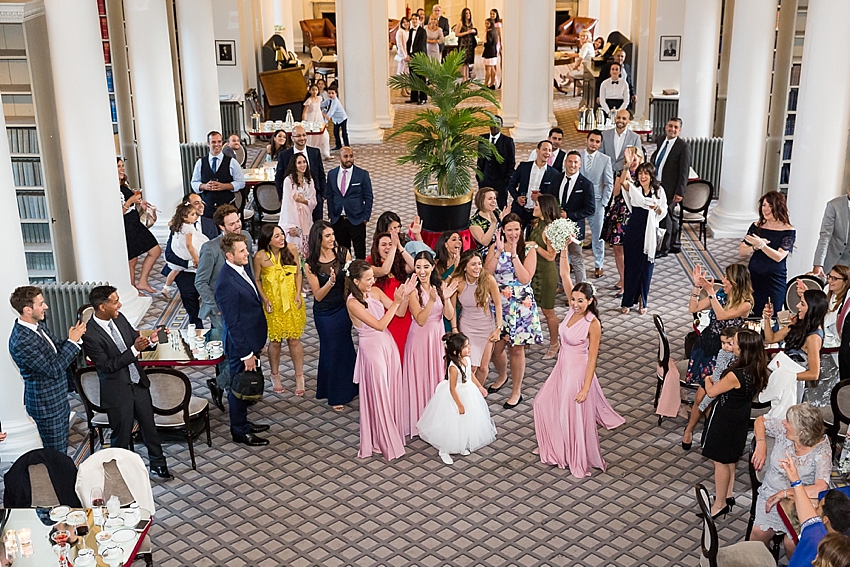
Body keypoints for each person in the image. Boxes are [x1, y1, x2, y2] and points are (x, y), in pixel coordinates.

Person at [533, 279, 625, 477]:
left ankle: (571, 455)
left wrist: (585, 388)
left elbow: (592, 359)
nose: (575, 304)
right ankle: (555, 446)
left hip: (577, 371)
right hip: (562, 366)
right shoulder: (572, 311)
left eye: (581, 301)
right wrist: (564, 251)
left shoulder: (592, 323)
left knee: (569, 414)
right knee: (541, 402)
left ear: (590, 301)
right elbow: (565, 274)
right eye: (573, 299)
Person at [81, 285, 172, 478]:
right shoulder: (90, 335)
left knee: (149, 428)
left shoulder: (119, 318)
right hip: (117, 392)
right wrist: (134, 350)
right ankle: (119, 473)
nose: (119, 305)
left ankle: (158, 464)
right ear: (102, 307)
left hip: (138, 384)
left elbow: (135, 341)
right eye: (115, 302)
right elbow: (107, 366)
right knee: (121, 435)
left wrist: (152, 340)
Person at [346, 260, 416, 461]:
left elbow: (400, 313)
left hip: (387, 345)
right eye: (368, 279)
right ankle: (381, 439)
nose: (372, 281)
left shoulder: (375, 292)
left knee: (392, 389)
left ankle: (392, 430)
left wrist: (404, 296)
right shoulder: (352, 302)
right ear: (356, 281)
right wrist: (395, 302)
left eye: (372, 278)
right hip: (372, 349)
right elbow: (379, 324)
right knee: (379, 394)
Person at [681, 264, 753, 449]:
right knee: (704, 397)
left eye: (728, 278)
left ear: (738, 281)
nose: (724, 281)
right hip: (707, 346)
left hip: (725, 353)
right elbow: (693, 308)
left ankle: (695, 430)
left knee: (703, 397)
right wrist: (697, 287)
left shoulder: (745, 303)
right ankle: (703, 430)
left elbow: (721, 316)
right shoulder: (720, 294)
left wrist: (711, 292)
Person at [700, 329, 769, 518]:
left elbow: (712, 392)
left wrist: (707, 379)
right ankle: (728, 494)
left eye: (736, 342)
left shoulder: (735, 375)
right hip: (740, 416)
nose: (733, 344)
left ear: (743, 348)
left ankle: (719, 503)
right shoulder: (757, 368)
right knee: (730, 458)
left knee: (720, 461)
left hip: (725, 418)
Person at [8, 286, 84, 453]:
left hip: (58, 399)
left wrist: (73, 340)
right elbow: (53, 369)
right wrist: (72, 342)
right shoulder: (22, 341)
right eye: (41, 303)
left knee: (61, 447)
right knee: (56, 454)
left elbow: (58, 350)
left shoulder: (37, 326)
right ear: (28, 310)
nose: (46, 307)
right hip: (46, 406)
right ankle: (60, 479)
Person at [194, 204, 254, 411]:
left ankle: (226, 386)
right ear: (221, 226)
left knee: (248, 347)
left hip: (246, 305)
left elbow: (250, 270)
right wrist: (216, 306)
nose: (238, 226)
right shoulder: (210, 249)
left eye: (238, 221)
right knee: (228, 353)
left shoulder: (246, 236)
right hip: (222, 310)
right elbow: (200, 282)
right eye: (232, 224)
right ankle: (228, 390)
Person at [751, 404, 832, 555]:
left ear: (801, 432)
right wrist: (761, 443)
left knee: (792, 544)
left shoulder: (821, 449)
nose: (783, 423)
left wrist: (785, 493)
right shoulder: (783, 430)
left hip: (799, 499)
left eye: (788, 422)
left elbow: (820, 487)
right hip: (771, 491)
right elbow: (760, 421)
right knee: (757, 535)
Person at [215, 233, 271, 447]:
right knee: (239, 387)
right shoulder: (225, 283)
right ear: (229, 255)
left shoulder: (243, 268)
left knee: (244, 385)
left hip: (251, 339)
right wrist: (247, 353)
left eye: (245, 248)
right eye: (241, 251)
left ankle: (244, 423)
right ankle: (239, 430)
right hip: (240, 346)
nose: (247, 252)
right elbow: (233, 323)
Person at [485, 213, 542, 408]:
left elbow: (525, 278)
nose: (513, 233)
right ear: (503, 231)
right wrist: (499, 252)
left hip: (521, 305)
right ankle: (502, 375)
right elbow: (486, 273)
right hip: (499, 304)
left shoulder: (529, 249)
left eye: (516, 229)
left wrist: (514, 254)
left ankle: (517, 391)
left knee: (516, 349)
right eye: (509, 229)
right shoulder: (495, 248)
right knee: (496, 348)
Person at [417, 333, 496, 465]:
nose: (469, 348)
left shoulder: (467, 360)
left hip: (468, 391)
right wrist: (459, 404)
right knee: (451, 422)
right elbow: (452, 388)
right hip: (456, 395)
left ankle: (461, 444)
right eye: (465, 346)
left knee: (466, 421)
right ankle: (444, 449)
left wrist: (479, 387)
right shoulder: (453, 367)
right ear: (455, 351)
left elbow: (470, 374)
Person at [304, 221, 358, 411]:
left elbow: (352, 280)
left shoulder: (343, 253)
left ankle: (351, 387)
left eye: (332, 234)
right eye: (327, 236)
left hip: (343, 309)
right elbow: (317, 296)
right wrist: (330, 283)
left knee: (345, 346)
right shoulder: (310, 264)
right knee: (331, 350)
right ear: (318, 239)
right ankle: (335, 394)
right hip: (325, 313)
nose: (332, 238)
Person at [403, 251, 457, 438]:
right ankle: (419, 421)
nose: (422, 271)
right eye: (418, 267)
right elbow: (420, 319)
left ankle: (437, 421)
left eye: (425, 266)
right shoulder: (412, 290)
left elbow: (449, 315)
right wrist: (432, 301)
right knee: (420, 377)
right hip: (419, 338)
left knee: (436, 378)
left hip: (437, 336)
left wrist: (447, 298)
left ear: (433, 266)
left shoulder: (440, 285)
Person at [253, 225, 306, 396]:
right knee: (275, 341)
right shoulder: (260, 256)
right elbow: (257, 280)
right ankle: (275, 375)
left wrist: (298, 293)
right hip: (273, 303)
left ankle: (299, 376)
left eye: (282, 234)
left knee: (294, 339)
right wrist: (265, 298)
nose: (282, 238)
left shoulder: (291, 249)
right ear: (268, 239)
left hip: (291, 300)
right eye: (277, 236)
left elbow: (298, 273)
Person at [761, 289, 828, 419]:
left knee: (786, 419)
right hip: (785, 379)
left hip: (794, 385)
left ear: (813, 308)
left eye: (802, 304)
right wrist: (767, 318)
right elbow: (771, 339)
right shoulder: (799, 323)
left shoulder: (814, 337)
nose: (797, 306)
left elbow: (814, 374)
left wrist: (786, 375)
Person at [779, 455, 850, 566]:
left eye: (819, 506)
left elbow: (808, 517)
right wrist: (796, 482)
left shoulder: (814, 536)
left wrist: (795, 480)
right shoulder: (843, 551)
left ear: (825, 519)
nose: (815, 507)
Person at [162, 193, 219, 327]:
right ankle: (196, 328)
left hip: (208, 270)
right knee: (190, 302)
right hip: (186, 271)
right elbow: (170, 255)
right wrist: (191, 263)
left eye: (201, 202)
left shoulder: (210, 223)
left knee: (214, 302)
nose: (201, 206)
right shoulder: (178, 227)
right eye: (196, 203)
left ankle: (215, 329)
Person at [620, 162, 667, 314]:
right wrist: (626, 166)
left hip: (649, 234)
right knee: (631, 267)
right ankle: (627, 301)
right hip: (634, 231)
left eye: (646, 173)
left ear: (651, 175)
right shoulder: (635, 189)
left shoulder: (658, 191)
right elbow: (623, 182)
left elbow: (663, 211)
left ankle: (642, 300)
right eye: (640, 173)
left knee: (646, 269)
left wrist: (656, 208)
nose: (643, 176)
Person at [739, 190, 797, 316]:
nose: (766, 209)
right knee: (753, 313)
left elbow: (779, 257)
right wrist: (755, 247)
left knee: (772, 314)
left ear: (778, 207)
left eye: (770, 206)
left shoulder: (788, 231)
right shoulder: (756, 226)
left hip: (774, 281)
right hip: (754, 278)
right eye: (764, 205)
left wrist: (761, 245)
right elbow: (742, 251)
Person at [450, 250, 502, 385]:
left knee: (483, 367)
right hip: (467, 325)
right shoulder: (458, 282)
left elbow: (497, 304)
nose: (477, 267)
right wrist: (454, 328)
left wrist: (498, 328)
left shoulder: (489, 280)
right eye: (473, 264)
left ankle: (478, 396)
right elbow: (453, 308)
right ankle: (469, 394)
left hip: (486, 326)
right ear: (465, 267)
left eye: (479, 264)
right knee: (470, 366)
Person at [805, 265, 850, 407]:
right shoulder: (826, 291)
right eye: (829, 277)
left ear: (846, 281)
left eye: (835, 278)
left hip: (836, 347)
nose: (830, 281)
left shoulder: (847, 302)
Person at [602, 145, 643, 294]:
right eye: (629, 157)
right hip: (619, 213)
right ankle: (623, 279)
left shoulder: (643, 175)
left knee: (631, 250)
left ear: (640, 158)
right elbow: (616, 191)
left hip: (633, 215)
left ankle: (630, 280)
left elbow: (633, 191)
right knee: (617, 249)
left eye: (634, 157)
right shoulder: (621, 172)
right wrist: (625, 168)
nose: (632, 160)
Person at [117, 158, 161, 295]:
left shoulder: (123, 184)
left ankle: (142, 281)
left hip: (135, 223)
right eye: (118, 166)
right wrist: (130, 201)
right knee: (132, 260)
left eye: (122, 165)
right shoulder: (111, 188)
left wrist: (140, 203)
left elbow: (129, 205)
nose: (122, 169)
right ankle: (133, 289)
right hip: (126, 226)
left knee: (156, 250)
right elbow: (117, 213)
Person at [367, 231, 414, 358]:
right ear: (376, 247)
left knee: (405, 353)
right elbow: (384, 270)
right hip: (387, 316)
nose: (387, 247)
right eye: (383, 245)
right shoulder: (370, 265)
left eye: (390, 243)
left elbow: (414, 266)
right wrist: (393, 247)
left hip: (404, 315)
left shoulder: (398, 264)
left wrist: (400, 247)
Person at [650, 118, 691, 256]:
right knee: (671, 216)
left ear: (679, 130)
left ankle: (664, 248)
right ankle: (675, 244)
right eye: (670, 126)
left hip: (671, 188)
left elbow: (684, 171)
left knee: (664, 217)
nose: (672, 129)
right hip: (658, 185)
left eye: (676, 127)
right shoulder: (661, 140)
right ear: (666, 127)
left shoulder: (683, 147)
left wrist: (680, 191)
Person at [529, 195, 562, 359]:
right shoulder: (537, 224)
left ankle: (555, 343)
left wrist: (534, 246)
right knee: (531, 307)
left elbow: (551, 256)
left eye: (536, 204)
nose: (534, 206)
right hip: (534, 272)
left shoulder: (550, 229)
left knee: (548, 311)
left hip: (546, 274)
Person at [326, 147, 373, 260]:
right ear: (339, 158)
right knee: (342, 253)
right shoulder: (332, 174)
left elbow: (369, 197)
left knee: (360, 252)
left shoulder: (362, 174)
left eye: (351, 156)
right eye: (345, 156)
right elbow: (329, 196)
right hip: (338, 220)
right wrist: (332, 215)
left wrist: (365, 217)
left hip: (357, 220)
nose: (349, 159)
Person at [558, 150, 596, 285]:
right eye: (570, 161)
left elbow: (591, 209)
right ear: (565, 162)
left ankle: (581, 287)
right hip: (557, 228)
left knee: (576, 258)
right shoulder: (557, 179)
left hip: (575, 229)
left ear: (580, 164)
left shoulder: (586, 184)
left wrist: (570, 215)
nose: (572, 165)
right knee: (558, 258)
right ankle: (560, 285)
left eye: (575, 162)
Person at [275, 125, 327, 222]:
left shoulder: (315, 152)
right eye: (298, 136)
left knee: (316, 228)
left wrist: (322, 195)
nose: (302, 138)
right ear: (292, 138)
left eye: (304, 135)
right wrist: (281, 197)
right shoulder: (284, 155)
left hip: (314, 198)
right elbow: (278, 177)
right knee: (298, 228)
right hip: (294, 202)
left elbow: (321, 174)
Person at [580, 130, 614, 278]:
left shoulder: (605, 159)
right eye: (592, 140)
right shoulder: (577, 156)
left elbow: (609, 183)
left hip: (597, 202)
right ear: (587, 140)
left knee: (598, 236)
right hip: (578, 202)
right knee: (575, 233)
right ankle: (570, 261)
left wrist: (604, 203)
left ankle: (598, 264)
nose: (594, 144)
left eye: (597, 142)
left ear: (600, 144)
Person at [190, 130, 246, 219]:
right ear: (208, 143)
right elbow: (194, 183)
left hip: (227, 207)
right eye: (213, 142)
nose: (217, 144)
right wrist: (204, 186)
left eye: (219, 142)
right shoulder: (200, 163)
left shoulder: (232, 162)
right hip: (207, 208)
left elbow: (241, 183)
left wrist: (224, 186)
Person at [507, 140, 561, 228]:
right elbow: (511, 185)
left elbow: (554, 196)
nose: (547, 153)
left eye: (550, 150)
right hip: (520, 210)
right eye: (544, 149)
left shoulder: (554, 173)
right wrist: (517, 198)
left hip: (539, 214)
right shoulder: (524, 166)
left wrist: (542, 197)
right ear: (537, 150)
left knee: (533, 238)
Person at [163, 203, 209, 297]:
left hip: (177, 248)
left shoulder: (178, 224)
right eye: (192, 215)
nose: (195, 216)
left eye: (195, 214)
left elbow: (170, 223)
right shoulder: (188, 228)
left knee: (175, 270)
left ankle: (166, 287)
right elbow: (189, 245)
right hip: (186, 250)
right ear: (184, 217)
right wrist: (195, 257)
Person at [278, 153, 317, 257]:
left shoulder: (309, 181)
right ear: (294, 165)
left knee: (307, 249)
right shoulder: (288, 181)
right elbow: (287, 205)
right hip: (293, 221)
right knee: (295, 251)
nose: (302, 165)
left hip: (307, 219)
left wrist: (303, 201)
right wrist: (291, 226)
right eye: (299, 162)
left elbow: (313, 202)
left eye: (304, 162)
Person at [477, 116, 515, 210]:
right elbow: (480, 158)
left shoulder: (508, 141)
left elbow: (511, 162)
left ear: (501, 125)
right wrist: (479, 176)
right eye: (492, 123)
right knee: (483, 203)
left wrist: (507, 179)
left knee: (502, 205)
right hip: (485, 178)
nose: (495, 126)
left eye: (497, 123)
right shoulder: (482, 139)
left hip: (500, 180)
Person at [813, 186, 850, 278]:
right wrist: (818, 264)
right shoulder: (834, 205)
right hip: (835, 261)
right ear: (848, 188)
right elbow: (825, 236)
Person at [601, 110, 642, 178]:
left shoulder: (635, 137)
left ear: (628, 121)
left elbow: (638, 158)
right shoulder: (604, 135)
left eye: (624, 118)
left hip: (625, 174)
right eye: (618, 117)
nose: (620, 120)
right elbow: (600, 155)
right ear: (615, 119)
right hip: (607, 173)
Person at [469, 186, 502, 260]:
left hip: (501, 248)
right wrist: (493, 224)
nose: (494, 201)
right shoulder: (474, 221)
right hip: (485, 255)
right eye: (490, 199)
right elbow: (484, 242)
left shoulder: (497, 212)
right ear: (481, 201)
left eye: (494, 198)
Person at [303, 84, 330, 158]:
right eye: (313, 90)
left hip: (319, 118)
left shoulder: (319, 98)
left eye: (316, 90)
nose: (314, 91)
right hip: (311, 119)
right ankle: (311, 153)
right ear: (310, 91)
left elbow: (319, 110)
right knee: (312, 137)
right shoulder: (308, 100)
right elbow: (304, 112)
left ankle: (325, 153)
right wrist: (304, 122)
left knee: (324, 135)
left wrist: (325, 116)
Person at [406, 13, 428, 104]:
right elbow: (409, 43)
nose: (414, 20)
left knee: (421, 77)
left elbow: (420, 45)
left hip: (419, 57)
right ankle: (414, 97)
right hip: (411, 56)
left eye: (416, 19)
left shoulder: (422, 31)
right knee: (412, 77)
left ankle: (423, 98)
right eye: (413, 19)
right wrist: (408, 53)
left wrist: (413, 55)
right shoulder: (410, 31)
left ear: (419, 20)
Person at [322, 86, 349, 151]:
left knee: (344, 133)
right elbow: (323, 104)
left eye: (332, 93)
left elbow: (331, 112)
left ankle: (347, 146)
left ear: (336, 94)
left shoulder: (335, 102)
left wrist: (325, 121)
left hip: (342, 118)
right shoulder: (329, 100)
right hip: (336, 119)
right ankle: (338, 145)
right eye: (329, 93)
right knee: (335, 132)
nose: (330, 95)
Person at [453, 8, 476, 80]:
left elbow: (474, 30)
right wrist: (467, 32)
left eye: (469, 13)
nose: (468, 15)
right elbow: (456, 34)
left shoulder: (471, 22)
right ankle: (464, 79)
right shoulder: (460, 23)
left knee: (468, 63)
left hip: (470, 45)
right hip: (463, 45)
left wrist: (474, 31)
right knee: (463, 63)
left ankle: (466, 78)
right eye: (466, 13)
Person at [482, 18, 498, 88]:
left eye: (487, 23)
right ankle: (492, 83)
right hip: (493, 51)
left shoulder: (489, 32)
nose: (486, 25)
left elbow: (488, 42)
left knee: (488, 68)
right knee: (492, 68)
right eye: (485, 23)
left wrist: (484, 44)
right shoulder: (494, 31)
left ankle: (486, 84)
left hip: (489, 51)